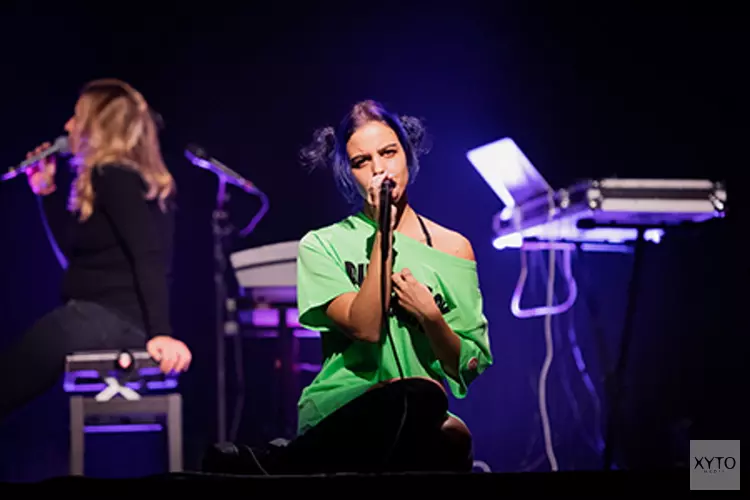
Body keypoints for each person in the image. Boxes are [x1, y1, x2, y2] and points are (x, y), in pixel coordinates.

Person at [289, 99, 493, 473]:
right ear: (348, 174)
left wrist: (431, 316)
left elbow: (468, 363)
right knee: (408, 405)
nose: (379, 169)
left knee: (444, 425)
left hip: (421, 418)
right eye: (361, 161)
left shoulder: (454, 247)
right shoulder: (321, 245)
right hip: (344, 409)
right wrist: (383, 232)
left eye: (388, 153)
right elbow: (365, 327)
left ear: (407, 155)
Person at [0, 78, 191, 421]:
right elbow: (74, 256)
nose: (67, 126)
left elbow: (148, 255)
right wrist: (45, 194)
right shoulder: (118, 179)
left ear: (95, 126)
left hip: (109, 318)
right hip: (98, 316)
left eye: (76, 117)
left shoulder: (112, 175)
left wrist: (162, 332)